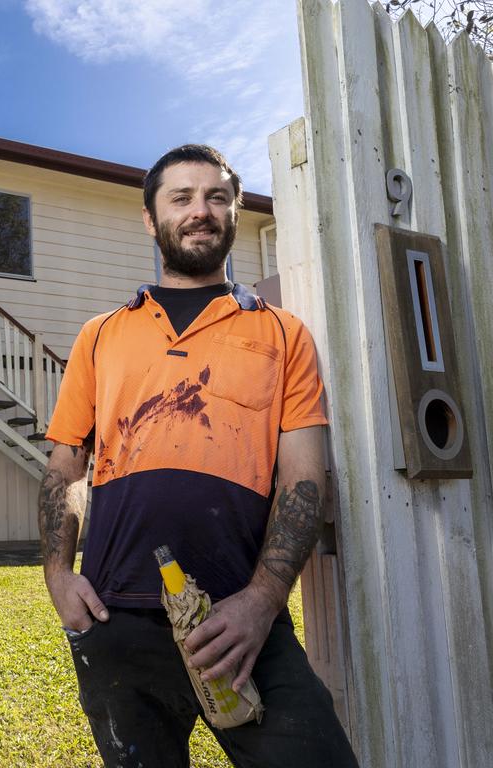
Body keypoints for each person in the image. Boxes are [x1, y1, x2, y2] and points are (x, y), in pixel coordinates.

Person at [38, 145, 359, 768]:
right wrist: (57, 574)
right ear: (150, 217)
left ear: (234, 212)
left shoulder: (283, 334)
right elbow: (64, 468)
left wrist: (264, 600)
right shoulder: (100, 334)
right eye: (180, 197)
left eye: (215, 196)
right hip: (117, 621)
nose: (199, 211)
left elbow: (302, 478)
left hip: (242, 620)